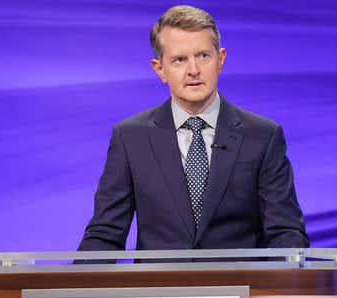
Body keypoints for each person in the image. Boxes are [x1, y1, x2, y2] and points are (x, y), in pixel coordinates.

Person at [78, 5, 308, 254]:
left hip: (240, 288)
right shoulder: (130, 137)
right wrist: (71, 289)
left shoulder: (262, 135)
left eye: (203, 56)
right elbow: (105, 233)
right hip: (159, 289)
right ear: (160, 69)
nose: (194, 70)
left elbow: (285, 232)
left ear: (220, 59)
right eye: (179, 60)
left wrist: (285, 285)